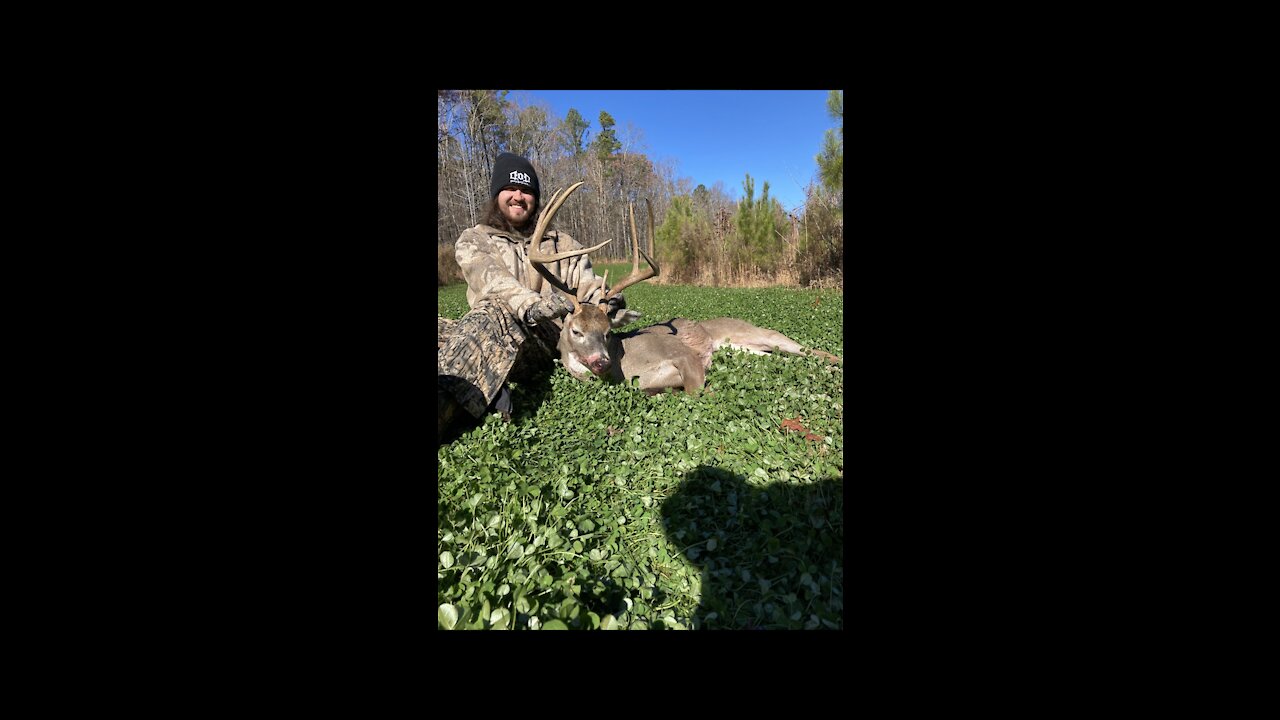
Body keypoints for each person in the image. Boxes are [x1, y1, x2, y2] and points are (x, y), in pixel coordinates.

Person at [438, 153, 626, 444]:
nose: (518, 196)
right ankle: (492, 388)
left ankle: (446, 408)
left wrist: (605, 299)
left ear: (535, 198)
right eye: (510, 189)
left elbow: (588, 285)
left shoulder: (561, 244)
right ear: (496, 194)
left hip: (543, 339)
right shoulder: (474, 239)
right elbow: (493, 282)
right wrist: (534, 304)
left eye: (526, 190)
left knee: (492, 313)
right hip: (490, 334)